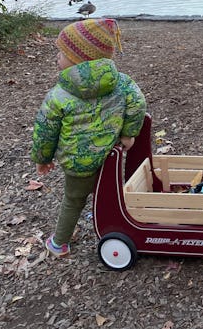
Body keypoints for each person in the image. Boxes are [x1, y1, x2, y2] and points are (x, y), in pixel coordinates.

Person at [30, 18, 146, 257]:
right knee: (107, 191)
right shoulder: (122, 84)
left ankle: (60, 242)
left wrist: (43, 158)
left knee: (73, 199)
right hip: (110, 155)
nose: (57, 58)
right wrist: (128, 134)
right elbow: (137, 103)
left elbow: (45, 129)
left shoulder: (59, 95)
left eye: (61, 53)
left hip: (78, 163)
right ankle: (113, 222)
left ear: (78, 59)